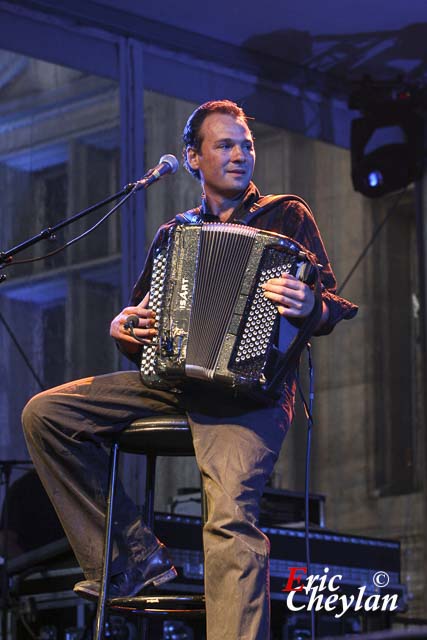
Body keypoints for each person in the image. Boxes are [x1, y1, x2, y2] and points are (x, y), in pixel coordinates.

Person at [22, 100, 357, 640]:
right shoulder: (173, 235)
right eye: (225, 145)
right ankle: (129, 558)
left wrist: (310, 305)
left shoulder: (286, 215)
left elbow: (333, 306)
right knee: (48, 413)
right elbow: (146, 334)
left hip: (251, 396)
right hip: (176, 387)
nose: (240, 154)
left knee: (228, 522)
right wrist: (123, 330)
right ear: (192, 158)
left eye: (246, 144)